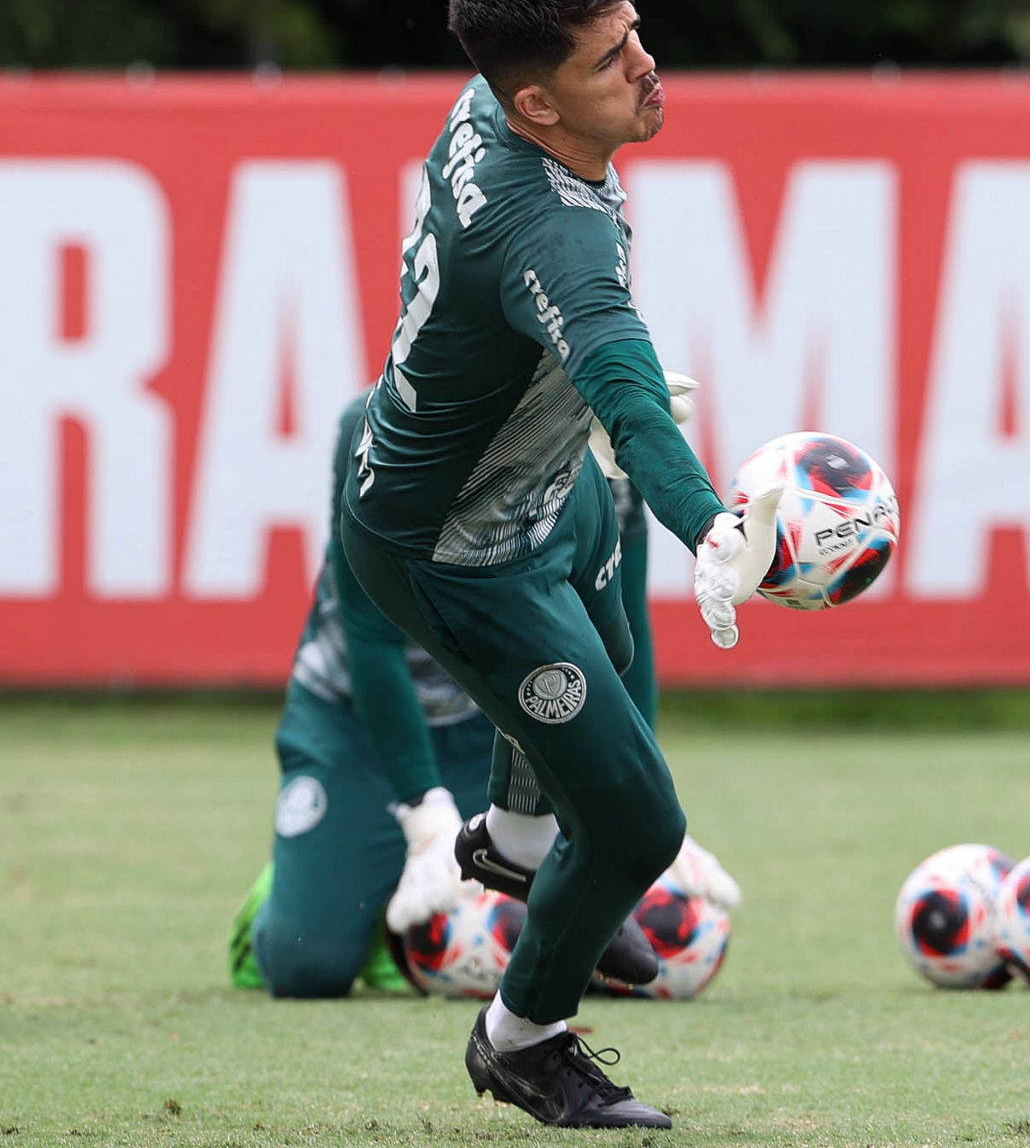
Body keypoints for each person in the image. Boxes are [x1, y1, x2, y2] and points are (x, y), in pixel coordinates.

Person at [337, 0, 781, 1130]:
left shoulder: (490, 103)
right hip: (454, 553)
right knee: (640, 821)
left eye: (634, 32)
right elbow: (626, 392)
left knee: (614, 649)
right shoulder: (552, 230)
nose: (645, 63)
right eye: (608, 58)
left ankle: (520, 841)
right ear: (536, 103)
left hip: (536, 484)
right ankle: (520, 1037)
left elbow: (596, 374)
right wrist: (715, 527)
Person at [228, 391, 742, 999]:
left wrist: (639, 793)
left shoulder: (604, 440)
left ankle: (399, 912)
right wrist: (424, 815)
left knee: (604, 944)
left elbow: (618, 637)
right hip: (358, 722)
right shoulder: (379, 429)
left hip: (501, 722)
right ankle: (315, 881)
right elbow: (371, 639)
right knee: (308, 963)